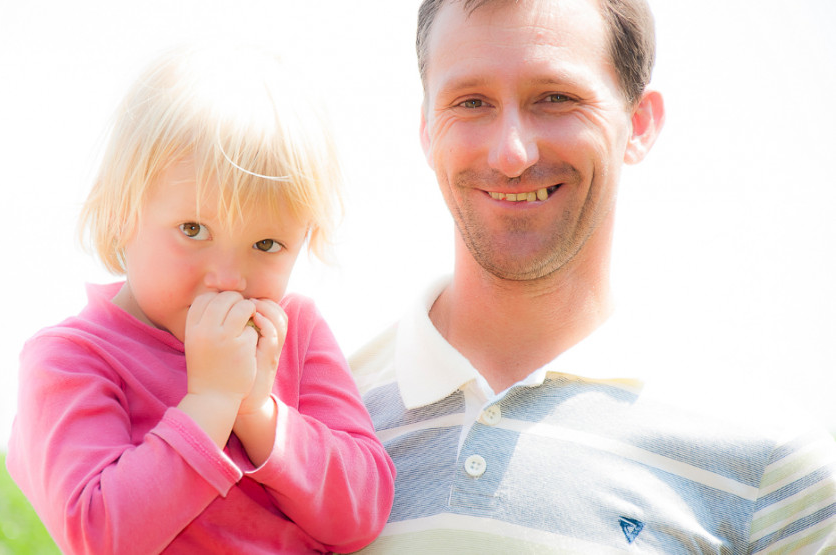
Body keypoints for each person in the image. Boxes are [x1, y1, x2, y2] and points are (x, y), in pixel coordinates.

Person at [350, 0, 836, 552]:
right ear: (427, 128)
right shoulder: (304, 421)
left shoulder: (775, 469)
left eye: (556, 98)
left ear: (640, 125)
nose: (511, 153)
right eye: (471, 102)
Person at [6, 45, 395, 554]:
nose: (229, 278)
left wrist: (258, 412)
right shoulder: (73, 360)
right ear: (122, 212)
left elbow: (361, 514)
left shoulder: (294, 334)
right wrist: (212, 402)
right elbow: (98, 534)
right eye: (193, 229)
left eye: (266, 245)